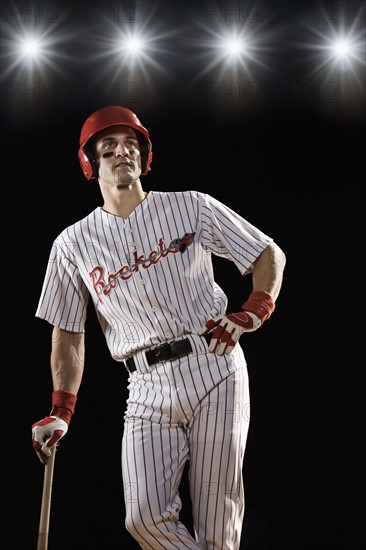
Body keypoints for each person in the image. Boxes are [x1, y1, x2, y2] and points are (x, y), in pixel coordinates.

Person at [32, 105, 286, 549]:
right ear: (90, 163)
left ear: (145, 157)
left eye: (131, 145)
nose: (122, 152)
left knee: (217, 523)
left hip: (215, 364)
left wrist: (255, 307)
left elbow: (268, 253)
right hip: (145, 384)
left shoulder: (189, 205)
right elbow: (69, 335)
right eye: (108, 148)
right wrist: (61, 409)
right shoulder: (71, 243)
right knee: (143, 519)